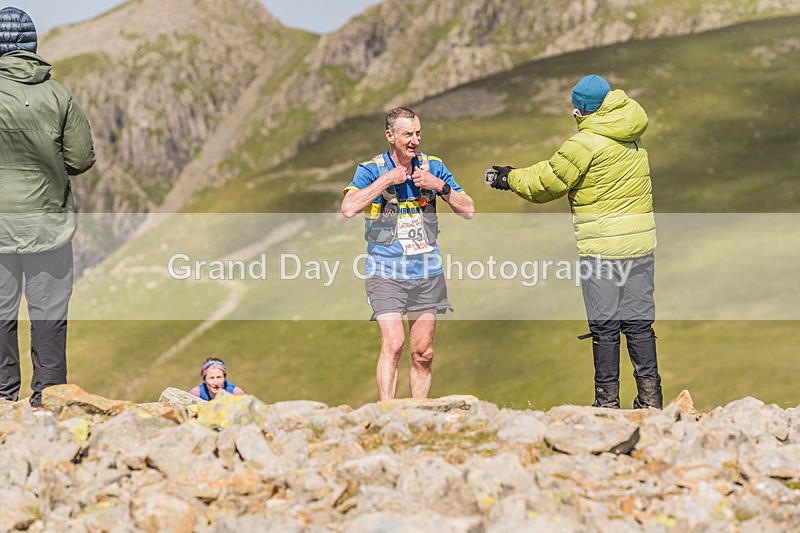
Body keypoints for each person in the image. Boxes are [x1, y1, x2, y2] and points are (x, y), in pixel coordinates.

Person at [489, 75, 662, 409]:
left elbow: (546, 183)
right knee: (640, 325)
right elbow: (557, 168)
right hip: (640, 248)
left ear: (581, 109)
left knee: (605, 328)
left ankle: (607, 404)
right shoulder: (631, 133)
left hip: (602, 252)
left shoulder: (584, 143)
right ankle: (651, 402)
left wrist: (508, 177)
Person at [341, 106, 474, 400]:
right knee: (394, 344)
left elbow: (469, 209)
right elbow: (349, 208)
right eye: (407, 134)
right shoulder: (371, 169)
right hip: (385, 272)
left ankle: (419, 416)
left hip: (427, 273)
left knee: (423, 353)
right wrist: (387, 180)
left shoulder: (434, 166)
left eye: (418, 133)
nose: (414, 140)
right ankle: (387, 413)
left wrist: (439, 186)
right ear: (390, 136)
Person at [0, 7, 96, 407]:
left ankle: (3, 400)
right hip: (48, 227)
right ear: (33, 46)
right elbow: (80, 159)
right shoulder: (59, 94)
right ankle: (50, 401)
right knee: (49, 314)